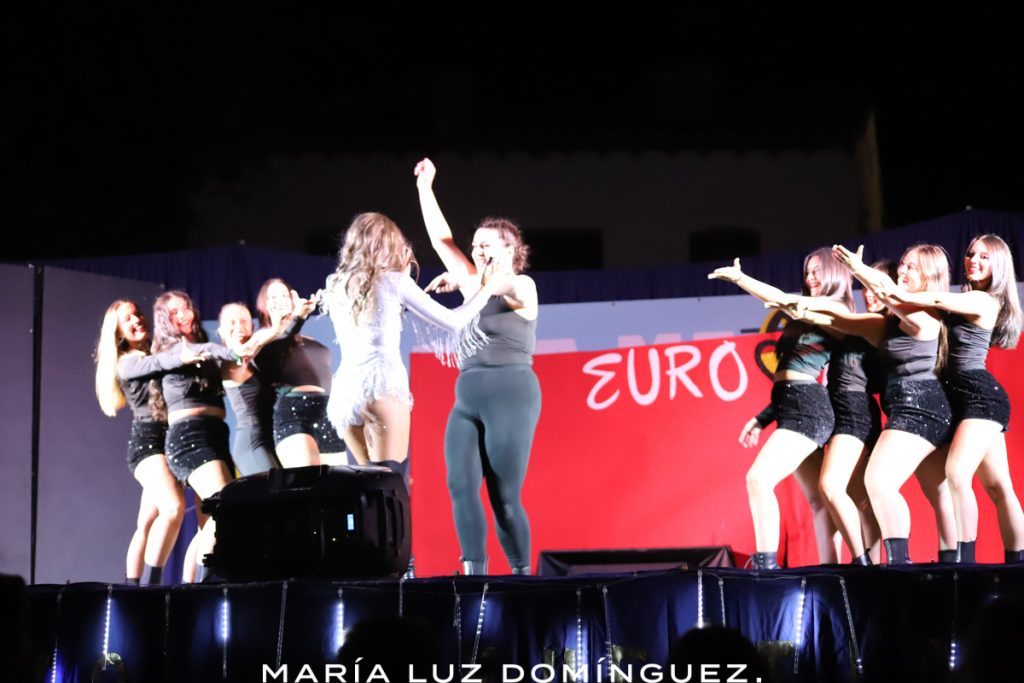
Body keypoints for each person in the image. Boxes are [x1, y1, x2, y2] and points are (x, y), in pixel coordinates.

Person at [789, 244, 958, 564]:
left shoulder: (922, 315)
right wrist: (793, 304)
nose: (903, 271)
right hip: (902, 408)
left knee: (881, 482)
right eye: (902, 265)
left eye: (910, 267)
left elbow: (887, 294)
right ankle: (951, 564)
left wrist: (857, 268)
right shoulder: (888, 324)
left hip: (920, 407)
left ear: (930, 275)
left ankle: (899, 564)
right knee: (936, 490)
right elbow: (840, 319)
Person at [415, 158, 542, 575]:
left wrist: (467, 283)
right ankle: (475, 574)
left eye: (487, 245)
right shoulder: (475, 282)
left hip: (511, 395)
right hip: (466, 399)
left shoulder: (522, 285)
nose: (477, 251)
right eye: (475, 246)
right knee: (459, 485)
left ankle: (522, 576)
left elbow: (501, 284)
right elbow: (442, 240)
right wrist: (425, 187)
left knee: (504, 497)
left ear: (511, 250)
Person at [865, 235, 1024, 563]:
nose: (974, 260)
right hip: (958, 400)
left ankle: (968, 562)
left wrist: (875, 279)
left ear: (999, 265)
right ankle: (1013, 562)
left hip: (980, 398)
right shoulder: (963, 298)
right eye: (970, 254)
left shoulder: (984, 301)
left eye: (984, 257)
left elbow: (935, 298)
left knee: (957, 472)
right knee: (998, 487)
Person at [321, 212, 498, 487]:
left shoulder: (335, 284)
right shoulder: (394, 281)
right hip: (382, 386)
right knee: (390, 484)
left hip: (345, 394)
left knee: (364, 486)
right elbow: (453, 322)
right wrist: (486, 289)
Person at [709, 248, 851, 569]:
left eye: (818, 271)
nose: (811, 277)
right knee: (818, 500)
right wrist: (763, 418)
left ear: (834, 273)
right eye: (808, 271)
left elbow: (783, 301)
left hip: (809, 412)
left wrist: (741, 279)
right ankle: (832, 570)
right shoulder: (806, 312)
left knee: (758, 479)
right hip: (792, 408)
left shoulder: (834, 308)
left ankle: (767, 565)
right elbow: (788, 378)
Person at [94, 299, 184, 585]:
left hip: (169, 442)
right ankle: (150, 585)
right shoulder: (128, 362)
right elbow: (159, 363)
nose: (137, 320)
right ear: (118, 332)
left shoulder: (152, 353)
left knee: (146, 522)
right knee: (173, 508)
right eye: (128, 319)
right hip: (147, 446)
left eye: (138, 314)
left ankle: (131, 588)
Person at [253, 279, 347, 467]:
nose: (280, 300)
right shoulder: (263, 337)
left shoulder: (309, 339)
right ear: (264, 304)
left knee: (338, 480)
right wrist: (298, 318)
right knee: (306, 479)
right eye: (273, 297)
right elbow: (279, 343)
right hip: (294, 412)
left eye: (284, 295)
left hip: (327, 412)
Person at [217, 303, 279, 475]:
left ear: (252, 326)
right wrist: (277, 327)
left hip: (270, 439)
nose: (239, 327)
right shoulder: (230, 362)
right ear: (221, 331)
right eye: (232, 322)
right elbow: (248, 349)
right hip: (252, 443)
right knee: (274, 489)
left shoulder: (254, 362)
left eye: (244, 321)